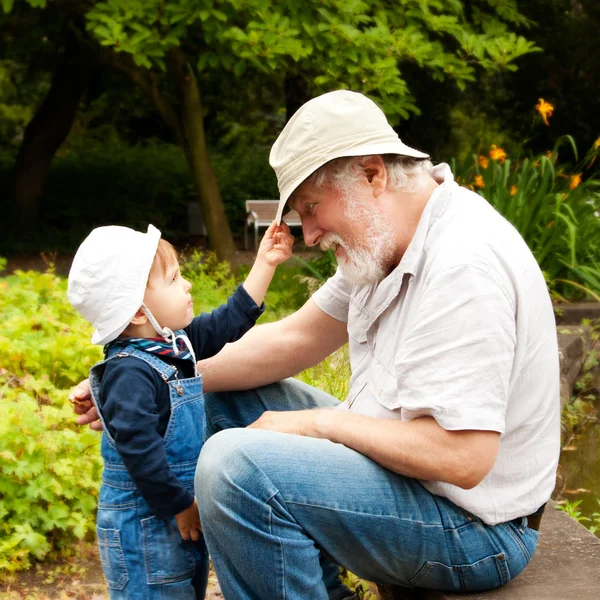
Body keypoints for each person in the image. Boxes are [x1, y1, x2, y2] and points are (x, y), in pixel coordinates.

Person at [72, 90, 560, 600]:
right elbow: (296, 337)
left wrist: (318, 423)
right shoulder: (386, 240)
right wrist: (151, 375)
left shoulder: (462, 264)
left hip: (474, 528)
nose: (308, 235)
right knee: (212, 402)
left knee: (236, 469)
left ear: (373, 175)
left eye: (310, 206)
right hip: (408, 480)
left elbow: (464, 458)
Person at [68, 221, 293, 599]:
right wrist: (180, 505)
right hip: (145, 525)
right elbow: (138, 450)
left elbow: (227, 322)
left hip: (177, 512)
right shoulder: (129, 372)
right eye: (174, 280)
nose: (187, 284)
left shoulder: (174, 347)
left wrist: (265, 264)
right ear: (139, 313)